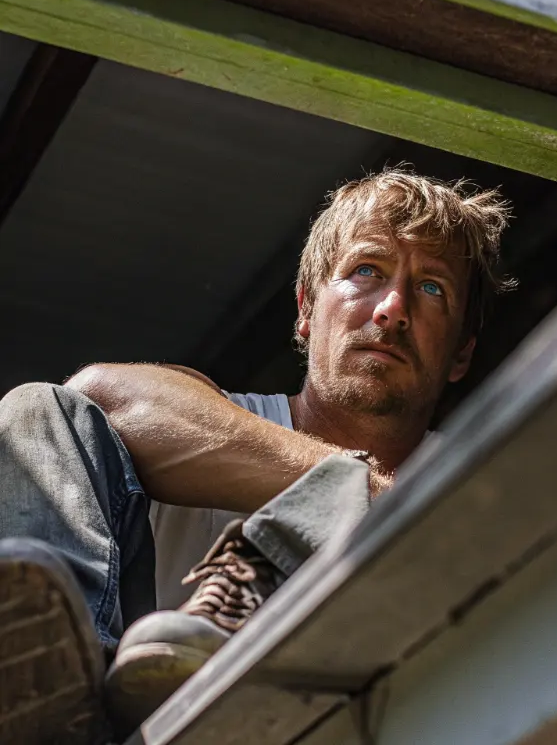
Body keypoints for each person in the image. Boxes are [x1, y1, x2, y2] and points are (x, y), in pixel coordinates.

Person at [0, 168, 512, 743]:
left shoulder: (483, 480)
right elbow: (94, 395)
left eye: (431, 289)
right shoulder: (223, 419)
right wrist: (356, 490)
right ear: (305, 309)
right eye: (366, 270)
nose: (392, 309)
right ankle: (55, 696)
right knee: (34, 408)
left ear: (461, 354)